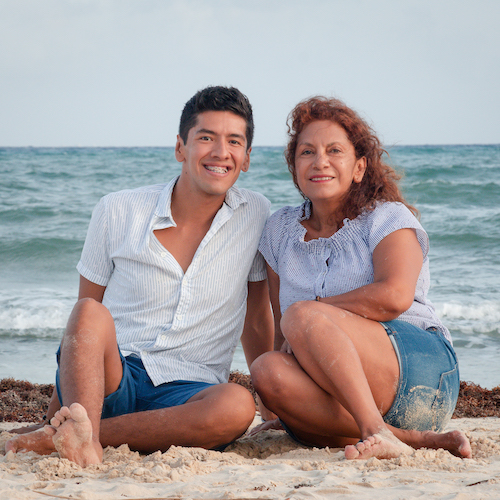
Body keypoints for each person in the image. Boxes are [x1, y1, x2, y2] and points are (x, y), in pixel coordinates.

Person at [6, 86, 274, 466]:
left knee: (236, 406)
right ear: (181, 147)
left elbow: (257, 316)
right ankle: (71, 428)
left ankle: (76, 436)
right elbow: (83, 325)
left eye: (234, 141)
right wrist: (56, 408)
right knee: (87, 310)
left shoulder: (256, 214)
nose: (220, 152)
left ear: (246, 158)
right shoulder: (117, 210)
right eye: (206, 138)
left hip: (189, 394)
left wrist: (274, 408)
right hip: (114, 378)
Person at [250, 96, 471, 460]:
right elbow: (280, 326)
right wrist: (281, 405)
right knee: (267, 370)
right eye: (307, 152)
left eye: (334, 150)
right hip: (341, 393)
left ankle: (375, 429)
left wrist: (313, 311)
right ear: (294, 168)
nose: (320, 161)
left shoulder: (387, 218)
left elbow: (395, 297)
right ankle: (404, 438)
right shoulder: (279, 230)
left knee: (302, 316)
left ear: (358, 166)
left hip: (420, 371)